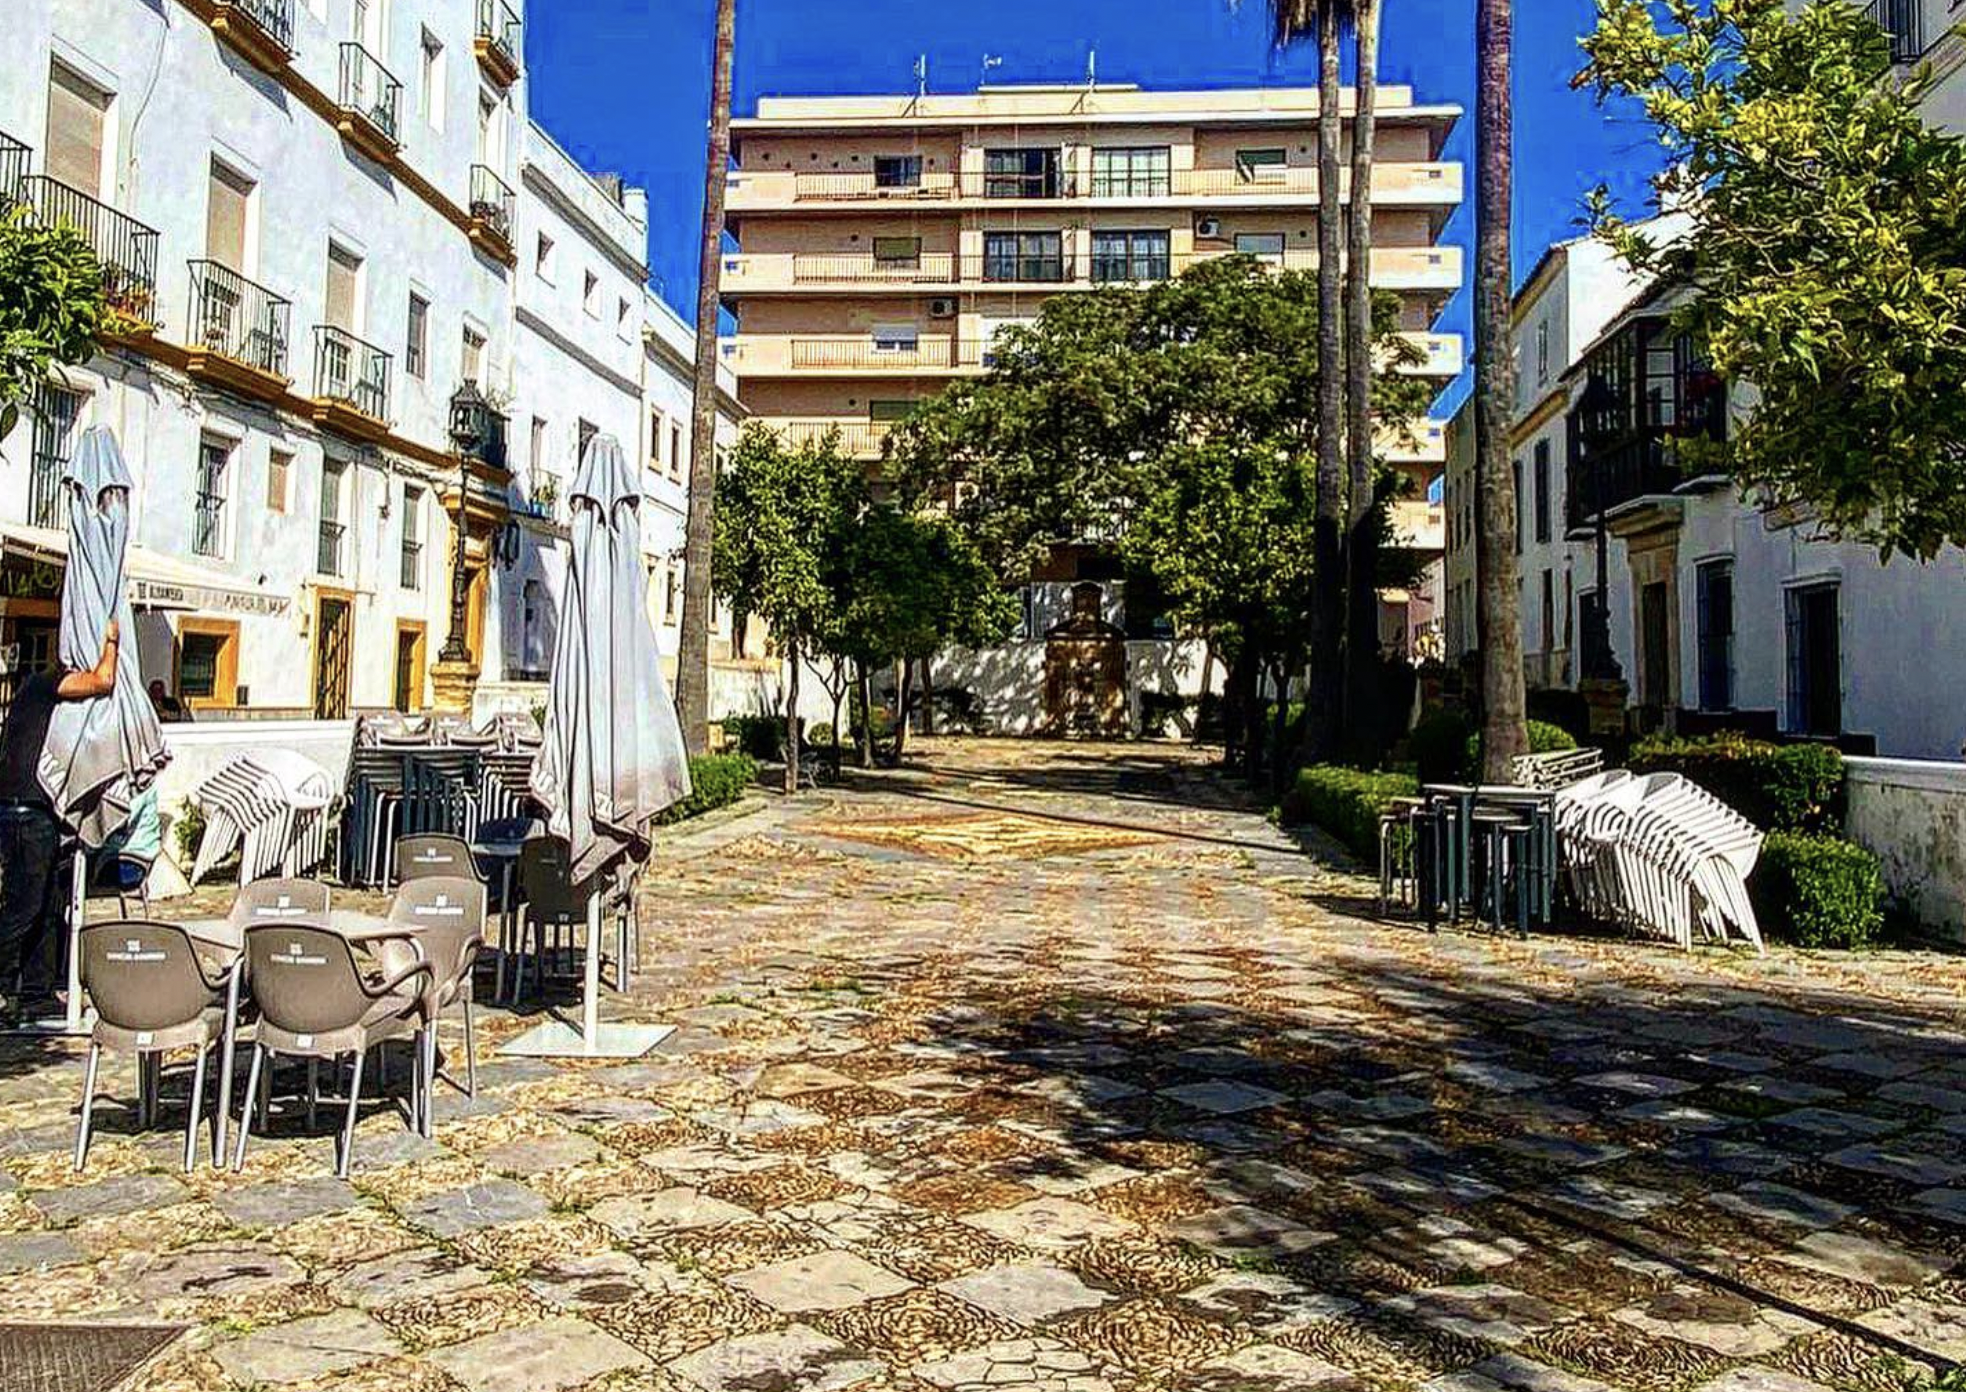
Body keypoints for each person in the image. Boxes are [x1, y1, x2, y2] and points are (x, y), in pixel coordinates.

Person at [0, 618, 121, 1021]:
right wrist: (111, 642)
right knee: (26, 906)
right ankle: (6, 986)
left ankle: (36, 993)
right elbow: (103, 680)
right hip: (25, 812)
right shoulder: (44, 684)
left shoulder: (41, 700)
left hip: (34, 813)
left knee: (50, 906)